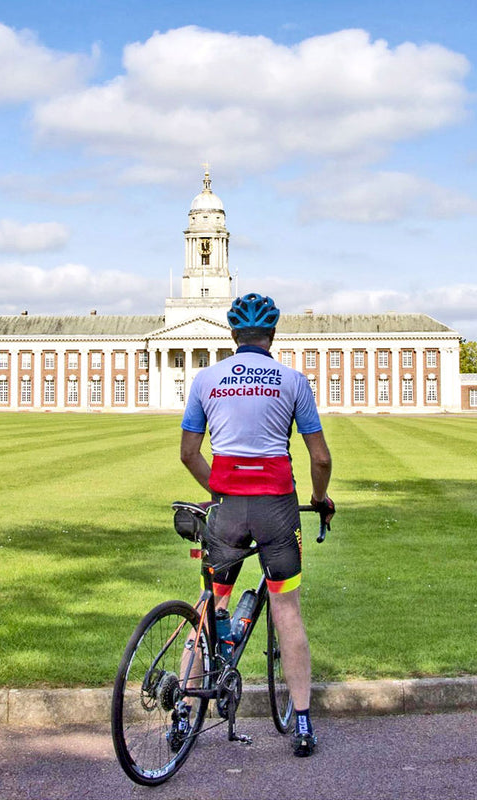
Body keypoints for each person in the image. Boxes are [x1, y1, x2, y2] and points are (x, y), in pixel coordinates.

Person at [180, 292, 334, 757]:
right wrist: (319, 498)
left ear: (231, 335)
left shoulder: (207, 378)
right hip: (276, 506)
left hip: (226, 504)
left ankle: (184, 711)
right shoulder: (292, 380)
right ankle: (303, 721)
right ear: (272, 336)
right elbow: (320, 457)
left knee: (208, 604)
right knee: (287, 610)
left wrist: (220, 492)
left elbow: (189, 454)